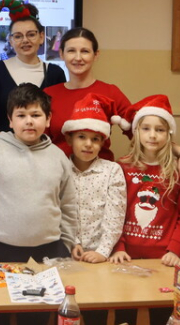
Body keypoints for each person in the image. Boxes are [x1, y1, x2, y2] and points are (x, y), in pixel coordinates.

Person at [45, 28, 180, 179]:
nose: (78, 57)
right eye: (71, 51)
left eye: (85, 51)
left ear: (96, 55)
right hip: (58, 176)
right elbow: (39, 142)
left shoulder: (110, 92)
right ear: (61, 54)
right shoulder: (48, 94)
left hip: (101, 179)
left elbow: (140, 131)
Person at [0, 84, 75, 264]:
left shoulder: (59, 157)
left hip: (51, 250)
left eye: (36, 115)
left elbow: (68, 203)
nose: (29, 121)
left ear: (48, 119)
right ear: (10, 120)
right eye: (21, 115)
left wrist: (69, 243)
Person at [110, 95, 180, 267]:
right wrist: (118, 247)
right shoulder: (122, 167)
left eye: (160, 130)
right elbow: (113, 212)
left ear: (169, 133)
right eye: (146, 128)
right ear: (136, 131)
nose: (152, 135)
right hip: (124, 256)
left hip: (163, 257)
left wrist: (175, 249)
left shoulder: (178, 171)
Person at [0, 0, 66, 135]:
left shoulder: (55, 73)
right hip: (4, 144)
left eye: (31, 34)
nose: (25, 40)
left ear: (41, 37)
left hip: (44, 144)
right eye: (18, 36)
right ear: (11, 41)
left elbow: (58, 116)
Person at [61, 96, 126, 265]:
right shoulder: (60, 170)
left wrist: (102, 251)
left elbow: (115, 215)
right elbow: (59, 211)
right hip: (66, 251)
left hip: (103, 255)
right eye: (81, 137)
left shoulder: (112, 171)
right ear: (69, 139)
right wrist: (73, 242)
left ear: (103, 142)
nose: (88, 144)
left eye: (95, 139)